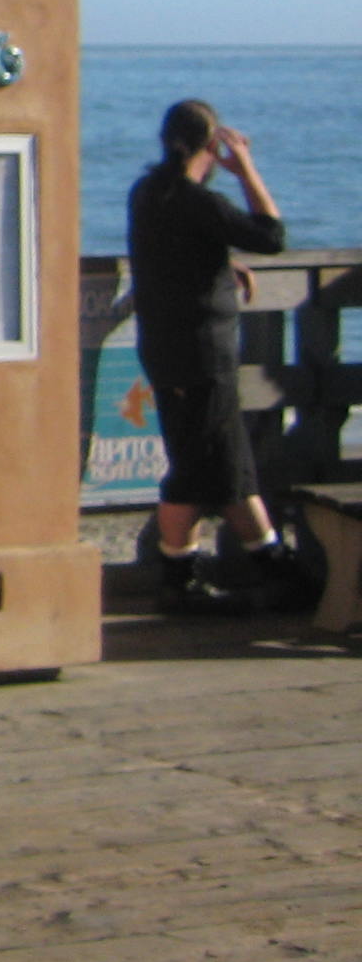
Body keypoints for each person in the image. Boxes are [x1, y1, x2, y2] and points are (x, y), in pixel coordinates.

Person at [127, 99, 292, 612]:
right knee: (198, 468)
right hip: (199, 356)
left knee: (224, 466)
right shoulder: (198, 202)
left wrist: (223, 264)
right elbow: (271, 236)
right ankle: (184, 578)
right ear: (210, 144)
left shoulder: (148, 193)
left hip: (169, 350)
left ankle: (259, 566)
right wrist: (246, 171)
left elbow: (171, 252)